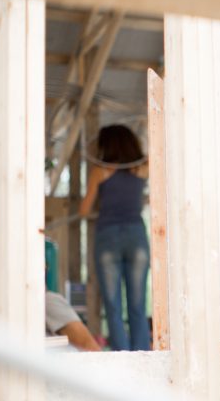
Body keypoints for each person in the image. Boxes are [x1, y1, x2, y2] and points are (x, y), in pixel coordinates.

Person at [79, 124, 151, 351]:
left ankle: (121, 355)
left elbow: (83, 210)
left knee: (112, 306)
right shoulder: (143, 169)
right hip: (136, 236)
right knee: (138, 305)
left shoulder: (100, 172)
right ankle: (141, 354)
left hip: (108, 237)